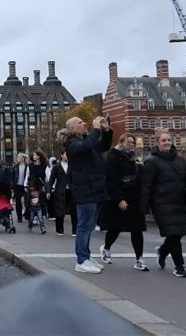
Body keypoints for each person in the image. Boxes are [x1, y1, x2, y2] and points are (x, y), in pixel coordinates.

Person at [141, 129, 186, 278]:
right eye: (164, 140)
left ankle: (162, 251)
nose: (167, 142)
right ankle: (179, 266)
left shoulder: (179, 159)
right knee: (173, 234)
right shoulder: (151, 162)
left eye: (169, 140)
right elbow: (146, 186)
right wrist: (143, 208)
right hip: (161, 203)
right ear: (157, 143)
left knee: (178, 233)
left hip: (178, 201)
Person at [60, 116, 113, 274]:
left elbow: (103, 146)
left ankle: (86, 257)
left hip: (95, 188)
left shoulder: (85, 140)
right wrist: (96, 129)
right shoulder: (71, 143)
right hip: (85, 190)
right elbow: (87, 146)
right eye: (80, 122)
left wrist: (106, 130)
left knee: (89, 226)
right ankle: (81, 260)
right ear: (72, 128)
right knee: (84, 227)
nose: (84, 123)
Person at [99, 134, 149, 272]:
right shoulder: (113, 157)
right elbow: (111, 180)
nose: (132, 144)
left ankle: (139, 259)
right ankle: (106, 248)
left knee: (137, 229)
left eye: (133, 142)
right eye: (129, 142)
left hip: (134, 197)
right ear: (121, 142)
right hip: (120, 196)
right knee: (115, 228)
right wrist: (119, 198)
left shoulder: (134, 158)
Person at [47, 149, 77, 236]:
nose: (67, 156)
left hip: (71, 191)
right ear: (61, 155)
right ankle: (59, 230)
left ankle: (75, 230)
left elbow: (76, 178)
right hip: (60, 191)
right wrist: (48, 191)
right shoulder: (56, 166)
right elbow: (51, 179)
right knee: (59, 210)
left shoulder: (72, 165)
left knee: (74, 210)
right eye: (66, 154)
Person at [25, 150, 48, 221]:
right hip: (32, 186)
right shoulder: (30, 166)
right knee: (32, 201)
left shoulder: (45, 166)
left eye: (34, 155)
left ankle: (41, 215)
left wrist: (50, 186)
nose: (33, 156)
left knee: (41, 201)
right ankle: (33, 217)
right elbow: (27, 176)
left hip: (41, 186)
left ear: (39, 156)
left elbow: (48, 177)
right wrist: (25, 185)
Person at [12, 153, 30, 223]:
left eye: (19, 157)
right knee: (18, 202)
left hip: (25, 186)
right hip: (17, 186)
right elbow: (12, 176)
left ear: (23, 159)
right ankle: (19, 217)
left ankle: (26, 215)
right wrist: (12, 185)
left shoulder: (27, 166)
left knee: (27, 201)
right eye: (18, 157)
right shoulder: (15, 167)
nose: (18, 158)